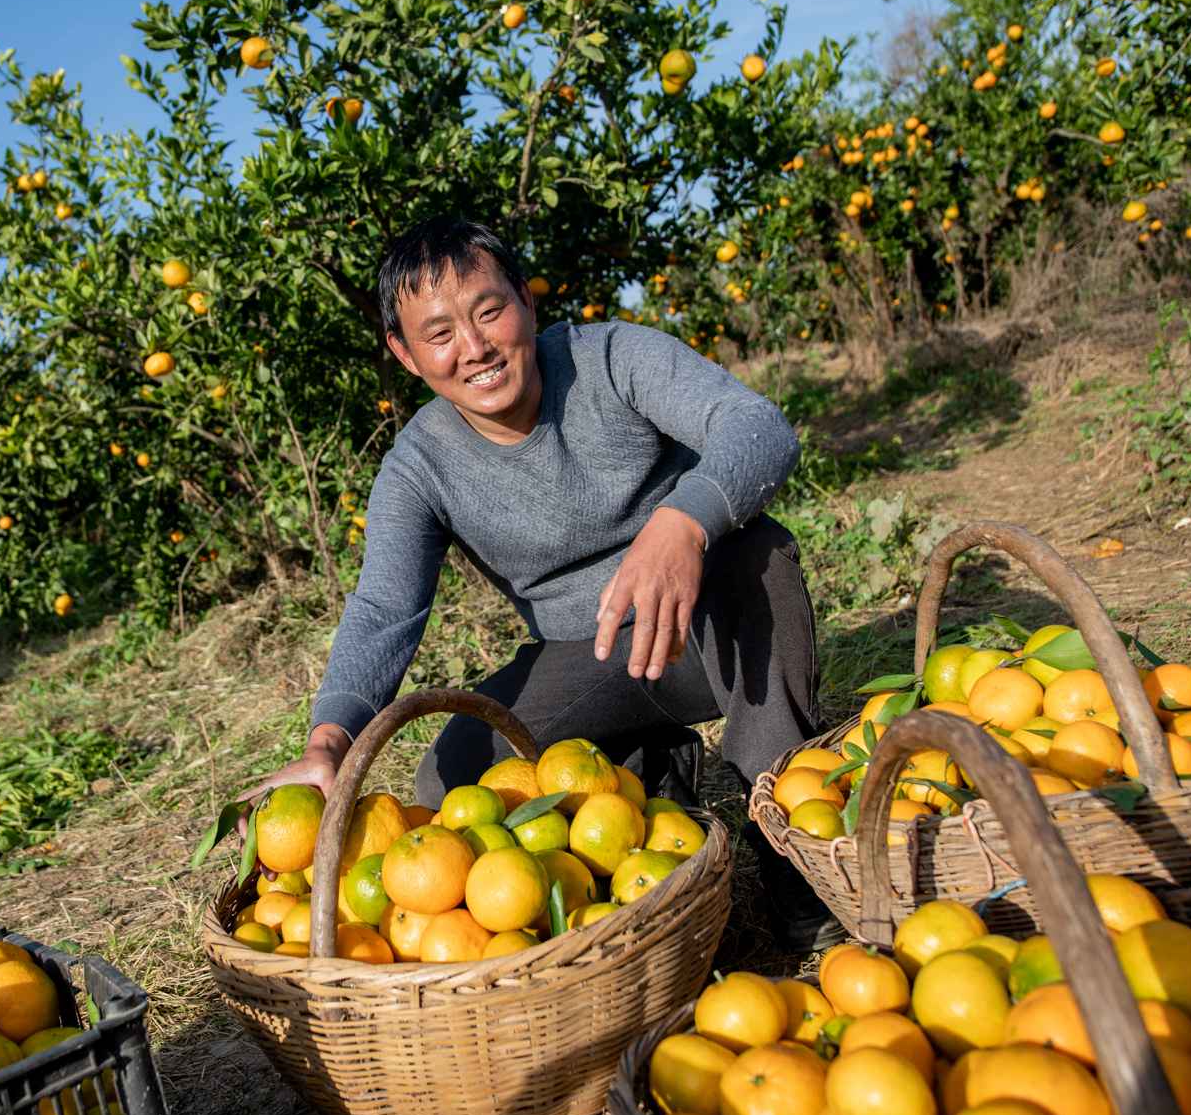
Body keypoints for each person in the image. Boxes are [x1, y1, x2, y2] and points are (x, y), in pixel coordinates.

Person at [250, 214, 837, 948]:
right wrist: (328, 740)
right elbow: (383, 608)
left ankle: (782, 832)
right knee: (449, 786)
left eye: (489, 310)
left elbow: (758, 426)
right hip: (590, 652)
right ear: (406, 354)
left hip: (706, 622)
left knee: (765, 558)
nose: (475, 349)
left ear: (526, 300)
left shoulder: (610, 356)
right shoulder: (418, 465)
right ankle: (648, 772)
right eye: (440, 334)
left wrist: (684, 522)